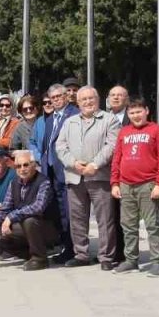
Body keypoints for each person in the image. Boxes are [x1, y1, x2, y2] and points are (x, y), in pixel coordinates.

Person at [55, 86, 121, 270]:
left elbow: (111, 145)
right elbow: (60, 146)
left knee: (105, 219)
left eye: (91, 98)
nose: (88, 102)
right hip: (75, 176)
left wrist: (95, 164)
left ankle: (106, 256)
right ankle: (81, 254)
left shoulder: (110, 120)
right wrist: (73, 163)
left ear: (98, 100)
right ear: (78, 102)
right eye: (83, 99)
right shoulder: (70, 122)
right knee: (77, 218)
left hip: (99, 176)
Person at [110, 95, 159, 276]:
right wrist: (115, 182)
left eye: (139, 112)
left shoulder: (156, 131)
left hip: (148, 184)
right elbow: (117, 158)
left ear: (147, 111)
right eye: (132, 112)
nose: (136, 115)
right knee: (128, 225)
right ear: (128, 113)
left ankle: (157, 261)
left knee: (152, 224)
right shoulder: (124, 132)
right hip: (126, 184)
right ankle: (130, 260)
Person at [0, 150, 62, 271]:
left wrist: (11, 217)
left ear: (33, 165)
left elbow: (38, 207)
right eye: (18, 166)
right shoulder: (14, 183)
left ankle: (40, 258)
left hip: (46, 228)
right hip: (23, 226)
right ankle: (27, 254)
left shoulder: (44, 182)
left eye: (26, 165)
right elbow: (5, 207)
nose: (22, 169)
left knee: (29, 221)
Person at [36, 83, 80, 261]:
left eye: (59, 97)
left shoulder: (74, 115)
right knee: (59, 212)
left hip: (67, 171)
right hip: (51, 172)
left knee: (70, 212)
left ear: (66, 96)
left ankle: (73, 249)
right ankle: (64, 246)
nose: (55, 100)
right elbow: (46, 146)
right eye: (52, 98)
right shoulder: (49, 118)